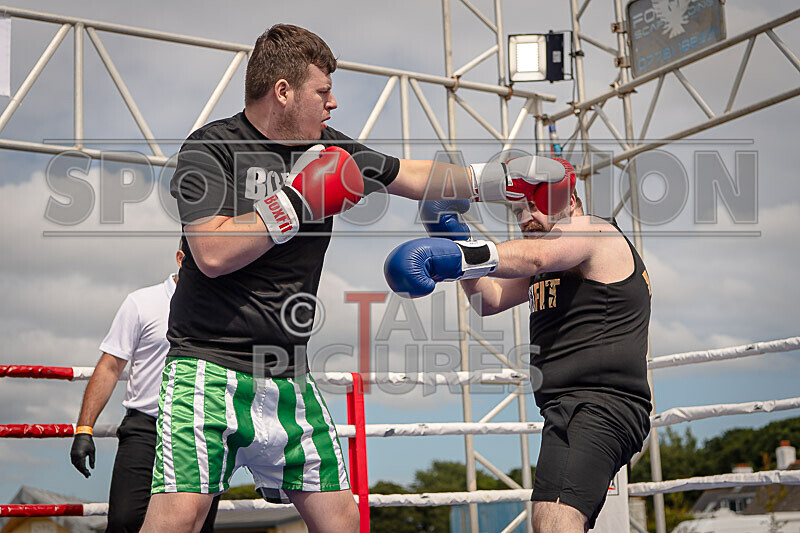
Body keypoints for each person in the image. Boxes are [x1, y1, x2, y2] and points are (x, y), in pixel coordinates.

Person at [141, 23, 570, 533]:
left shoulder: (332, 150)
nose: (333, 104)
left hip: (288, 371)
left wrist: (492, 180)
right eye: (322, 91)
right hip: (206, 365)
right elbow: (209, 251)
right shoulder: (210, 148)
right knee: (179, 518)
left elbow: (410, 175)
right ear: (283, 91)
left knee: (341, 516)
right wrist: (296, 203)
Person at [384, 179, 652, 533]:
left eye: (536, 206)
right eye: (518, 211)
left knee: (555, 521)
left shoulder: (593, 230)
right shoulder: (550, 264)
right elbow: (488, 300)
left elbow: (535, 255)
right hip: (570, 407)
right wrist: (451, 236)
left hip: (599, 404)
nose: (526, 218)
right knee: (556, 521)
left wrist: (458, 258)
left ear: (570, 201)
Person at [70, 247, 219, 533]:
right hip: (146, 428)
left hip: (202, 430)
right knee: (125, 522)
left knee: (194, 527)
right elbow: (110, 367)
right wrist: (84, 430)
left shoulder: (225, 308)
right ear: (181, 258)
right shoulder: (142, 302)